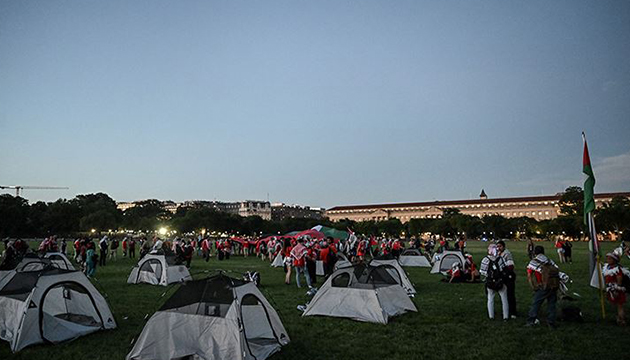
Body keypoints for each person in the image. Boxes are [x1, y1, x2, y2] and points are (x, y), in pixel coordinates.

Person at [526, 246, 559, 328]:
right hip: (553, 285)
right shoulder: (549, 260)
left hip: (542, 285)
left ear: (535, 252)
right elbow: (557, 269)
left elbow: (530, 274)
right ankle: (551, 322)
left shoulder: (533, 262)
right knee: (551, 304)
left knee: (536, 303)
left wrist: (533, 286)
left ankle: (531, 320)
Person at [480, 244, 509, 320]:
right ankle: (505, 316)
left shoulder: (485, 259)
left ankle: (491, 316)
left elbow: (483, 272)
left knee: (490, 299)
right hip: (500, 281)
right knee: (504, 299)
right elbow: (503, 269)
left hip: (490, 282)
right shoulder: (500, 259)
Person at [603, 253, 627, 325]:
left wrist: (617, 289)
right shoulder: (608, 267)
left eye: (610, 259)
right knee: (617, 305)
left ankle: (622, 320)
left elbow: (619, 280)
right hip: (611, 289)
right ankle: (619, 318)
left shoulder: (617, 269)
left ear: (615, 260)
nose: (608, 260)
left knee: (620, 305)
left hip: (616, 290)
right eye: (607, 258)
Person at [497, 240, 517, 318]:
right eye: (497, 246)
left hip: (508, 276)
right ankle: (507, 310)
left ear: (504, 247)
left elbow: (510, 266)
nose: (498, 248)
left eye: (500, 246)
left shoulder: (507, 254)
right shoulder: (499, 254)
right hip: (503, 275)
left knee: (510, 294)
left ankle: (513, 312)